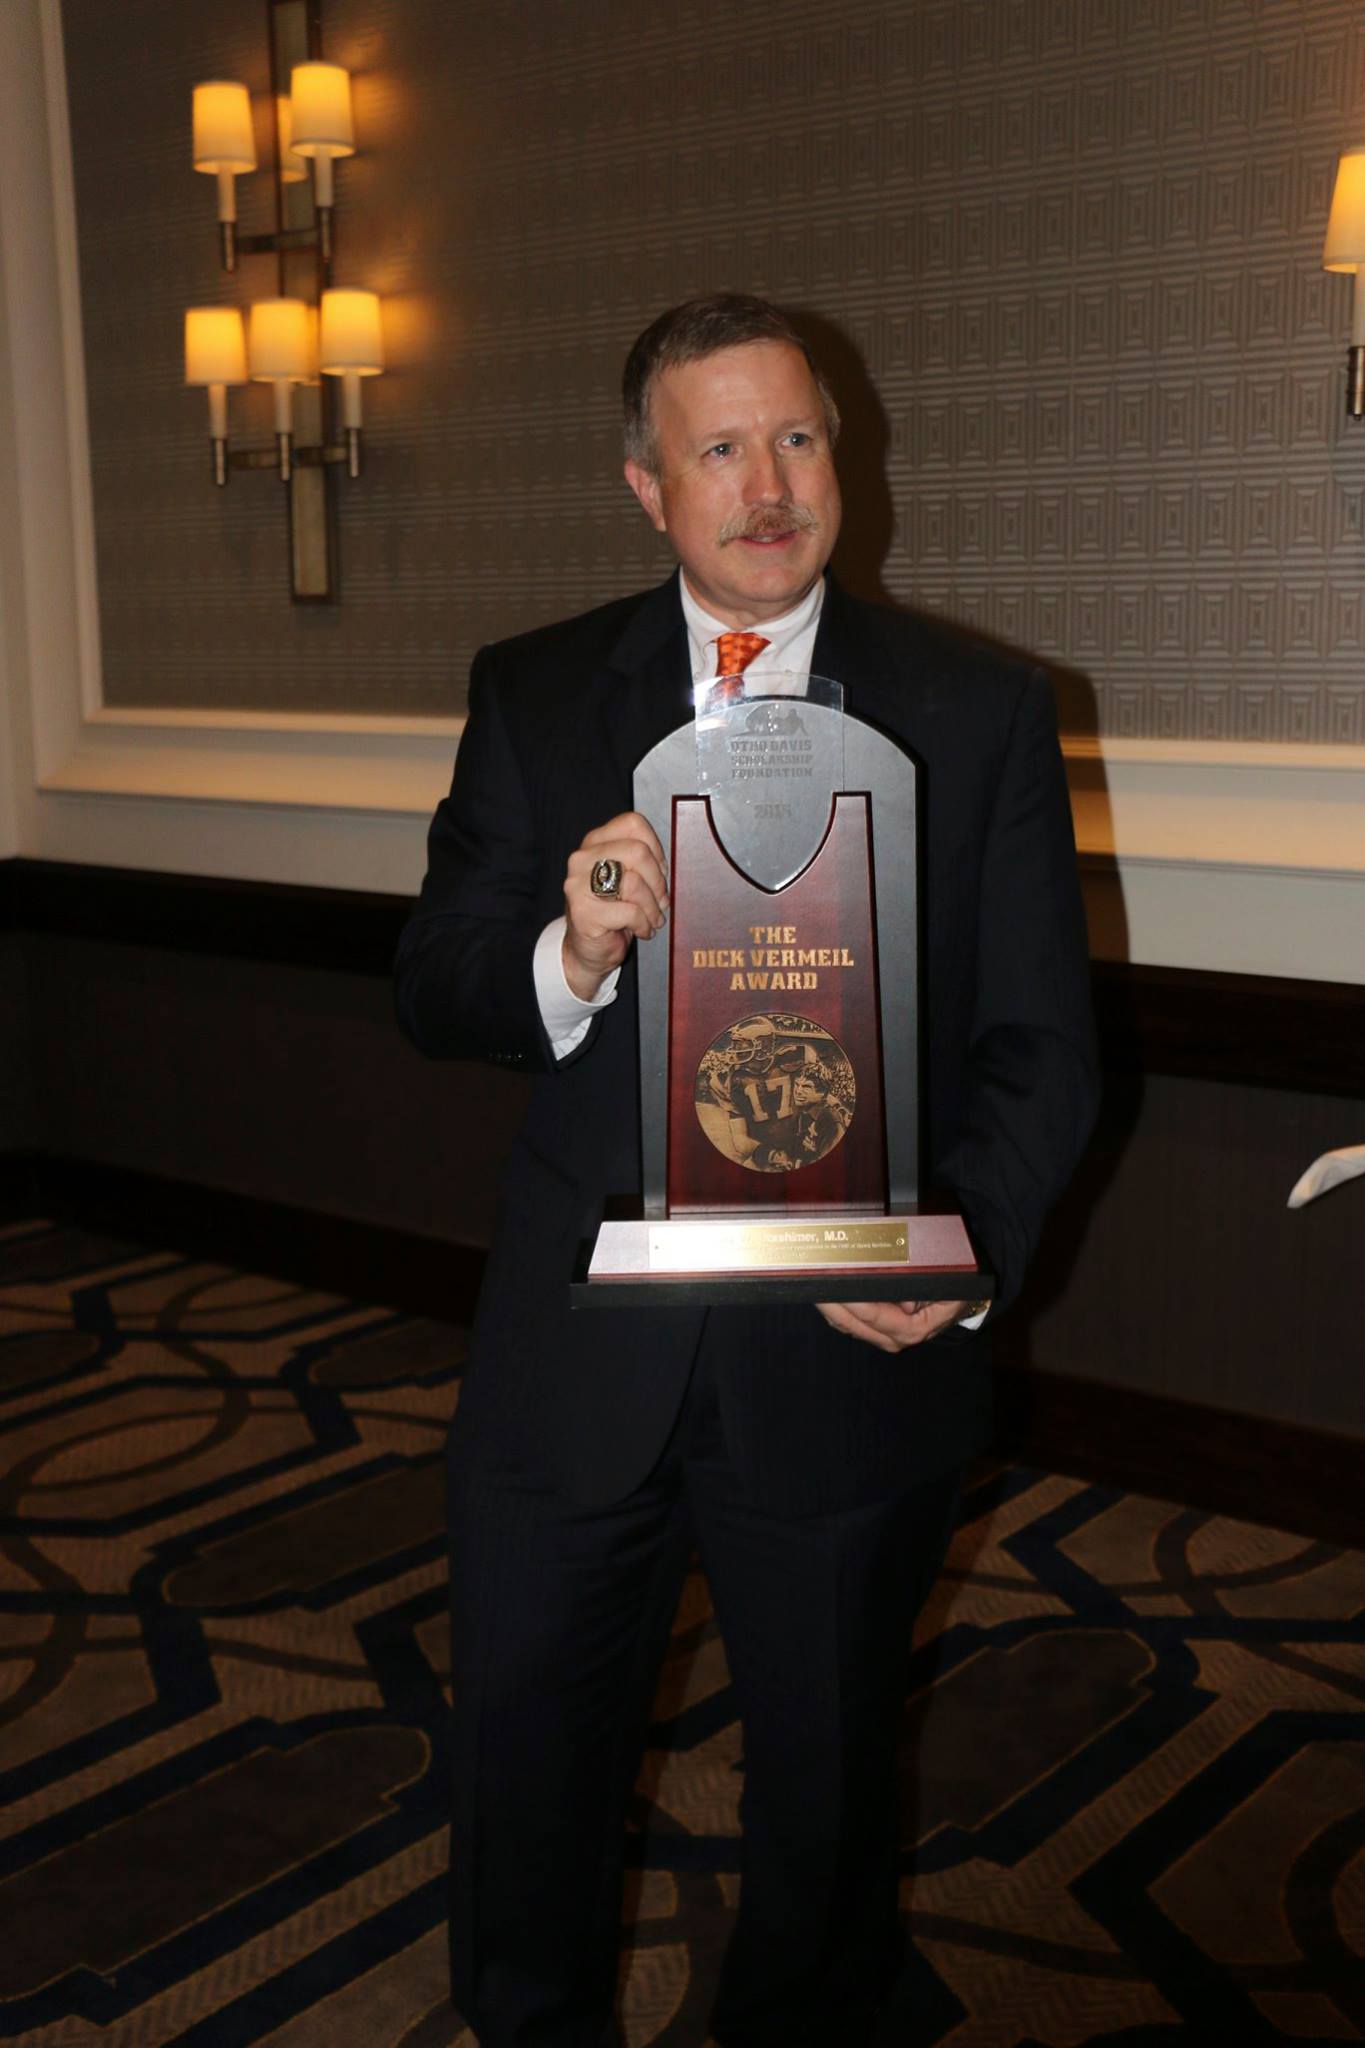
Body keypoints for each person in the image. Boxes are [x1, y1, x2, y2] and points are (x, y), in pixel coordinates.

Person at [395, 293, 1099, 2048]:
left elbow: (1041, 1051)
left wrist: (954, 1254)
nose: (767, 484)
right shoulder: (538, 692)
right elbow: (435, 977)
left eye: (796, 438)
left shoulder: (980, 713)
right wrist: (570, 953)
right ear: (647, 486)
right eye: (719, 448)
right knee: (526, 1772)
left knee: (828, 1800)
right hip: (576, 1362)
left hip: (845, 1355)